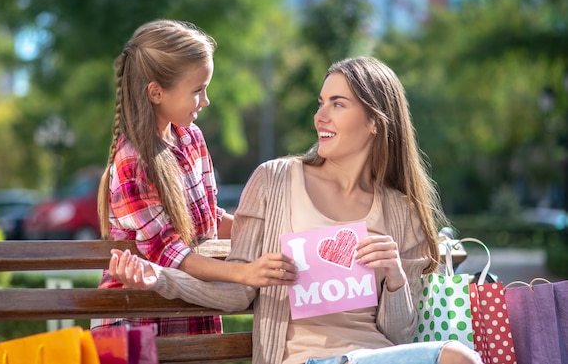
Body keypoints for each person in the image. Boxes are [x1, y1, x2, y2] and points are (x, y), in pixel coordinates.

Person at [107, 56, 481, 363]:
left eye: (338, 104)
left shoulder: (403, 211)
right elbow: (239, 291)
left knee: (459, 358)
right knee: (458, 359)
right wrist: (162, 278)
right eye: (321, 103)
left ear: (374, 122)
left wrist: (395, 276)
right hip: (304, 360)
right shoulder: (275, 180)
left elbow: (399, 334)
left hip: (376, 355)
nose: (321, 117)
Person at [94, 19, 294, 336]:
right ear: (156, 93)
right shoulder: (131, 161)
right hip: (137, 318)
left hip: (189, 303)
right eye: (198, 91)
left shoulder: (191, 138)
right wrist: (245, 274)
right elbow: (172, 254)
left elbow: (207, 219)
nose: (206, 101)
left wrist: (276, 232)